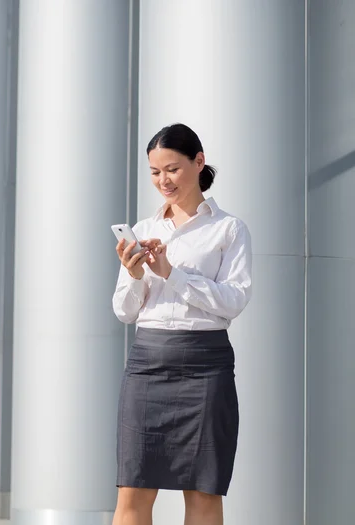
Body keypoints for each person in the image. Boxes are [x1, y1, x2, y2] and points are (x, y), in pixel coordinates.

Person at [111, 123, 252, 525]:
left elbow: (232, 302)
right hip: (147, 366)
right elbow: (124, 311)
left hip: (206, 369)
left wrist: (171, 272)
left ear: (199, 162)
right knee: (132, 491)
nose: (163, 181)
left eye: (171, 169)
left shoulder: (229, 229)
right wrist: (137, 276)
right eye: (155, 172)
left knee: (204, 492)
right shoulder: (143, 230)